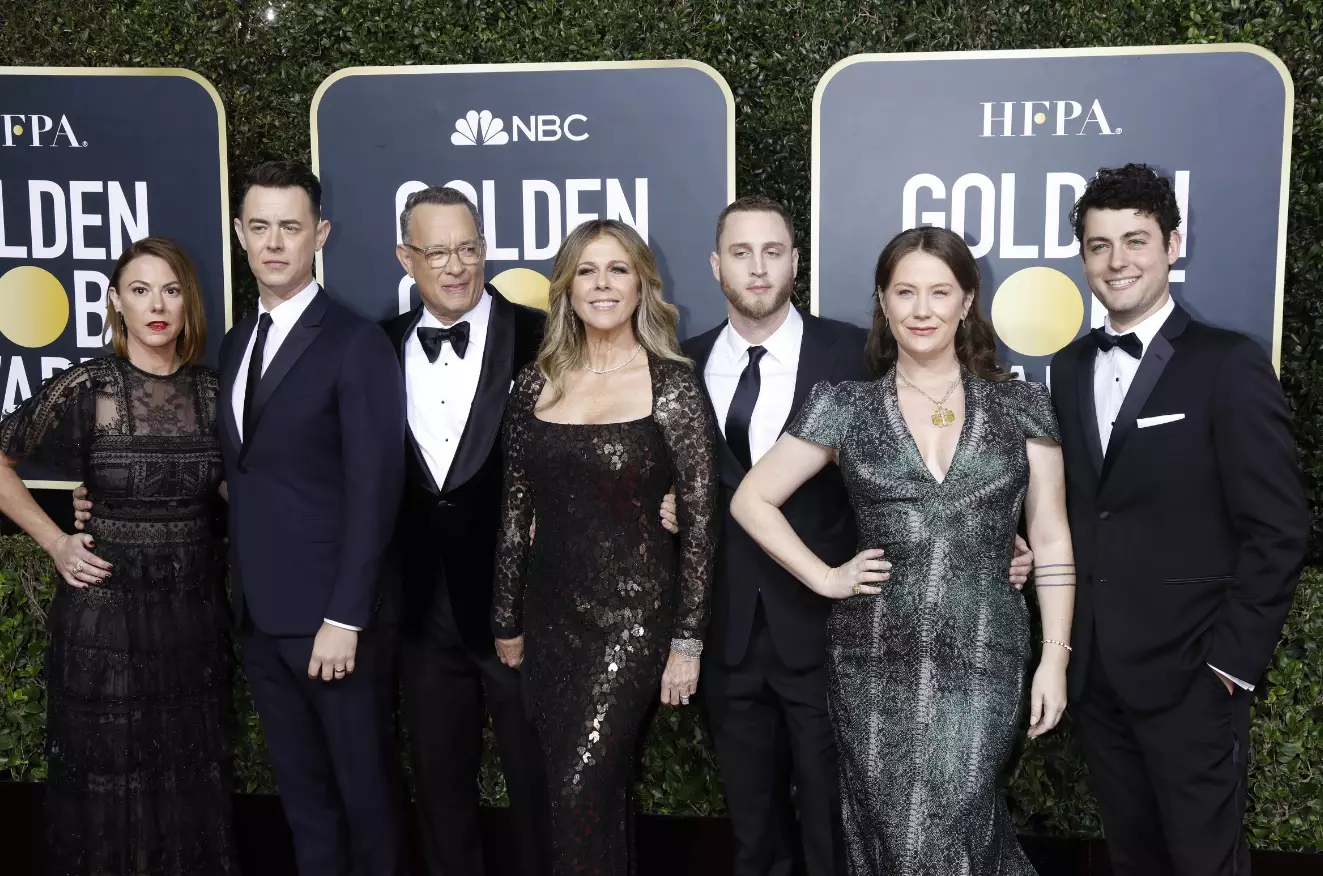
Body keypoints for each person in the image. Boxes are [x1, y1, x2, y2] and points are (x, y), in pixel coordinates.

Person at [682, 197, 1035, 876]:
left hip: (841, 632)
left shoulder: (855, 353)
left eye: (773, 251)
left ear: (795, 259)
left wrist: (1000, 540)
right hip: (730, 625)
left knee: (845, 825)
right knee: (751, 827)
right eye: (739, 252)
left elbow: (942, 446)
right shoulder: (676, 361)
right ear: (714, 264)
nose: (757, 268)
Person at [1049, 164, 1308, 876]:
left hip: (1193, 674)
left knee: (1203, 864)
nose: (1116, 261)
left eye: (1135, 240)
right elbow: (1081, 503)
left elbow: (1279, 528)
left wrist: (1227, 665)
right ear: (1082, 259)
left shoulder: (1226, 364)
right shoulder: (1067, 368)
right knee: (1133, 860)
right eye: (1098, 245)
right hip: (1098, 675)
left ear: (1172, 243)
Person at [0, 237, 237, 874]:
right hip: (104, 622)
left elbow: (246, 492)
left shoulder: (216, 394)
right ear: (115, 302)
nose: (156, 305)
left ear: (189, 301)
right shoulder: (88, 386)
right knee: (109, 776)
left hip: (191, 617)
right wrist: (54, 542)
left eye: (170, 289)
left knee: (186, 774)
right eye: (139, 290)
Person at [491, 218, 719, 875]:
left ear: (642, 284)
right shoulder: (535, 383)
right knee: (582, 796)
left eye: (617, 269)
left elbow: (701, 520)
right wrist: (504, 618)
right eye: (587, 270)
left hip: (633, 622)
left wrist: (687, 640)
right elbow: (514, 509)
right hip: (549, 618)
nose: (601, 284)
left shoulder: (671, 385)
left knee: (580, 787)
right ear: (565, 288)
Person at [383, 185, 551, 876]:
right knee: (441, 788)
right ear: (406, 257)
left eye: (468, 248)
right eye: (437, 251)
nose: (455, 266)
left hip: (525, 606)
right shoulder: (375, 346)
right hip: (420, 607)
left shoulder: (546, 335)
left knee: (540, 783)